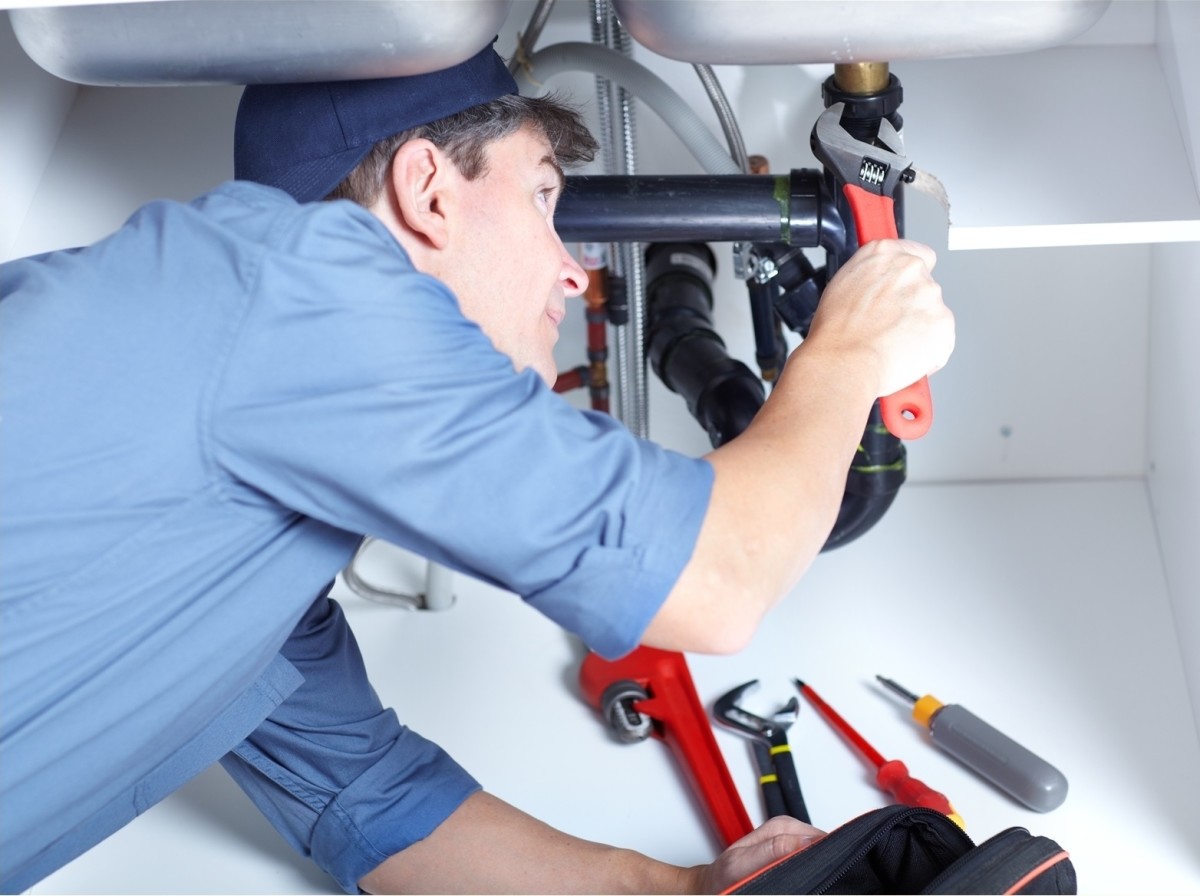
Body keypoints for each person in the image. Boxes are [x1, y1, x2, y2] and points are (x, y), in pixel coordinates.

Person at [0, 39, 954, 894]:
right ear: (429, 191)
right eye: (542, 197)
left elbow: (376, 805)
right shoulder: (285, 280)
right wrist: (851, 342)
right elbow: (719, 579)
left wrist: (683, 889)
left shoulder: (240, 537)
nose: (573, 270)